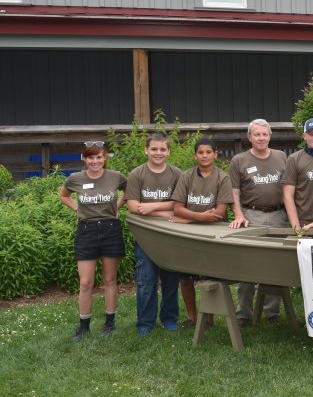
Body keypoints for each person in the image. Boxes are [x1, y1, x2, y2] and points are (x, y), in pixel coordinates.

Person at [59, 141, 127, 342]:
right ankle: (84, 327)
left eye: (99, 157)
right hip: (86, 231)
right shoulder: (75, 179)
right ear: (84, 159)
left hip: (110, 229)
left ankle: (109, 324)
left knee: (109, 280)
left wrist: (118, 205)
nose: (95, 161)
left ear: (105, 158)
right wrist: (76, 209)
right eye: (91, 157)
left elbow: (130, 189)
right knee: (86, 282)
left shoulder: (115, 177)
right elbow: (63, 196)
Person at [229, 119, 288, 326]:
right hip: (251, 216)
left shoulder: (282, 157)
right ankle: (243, 313)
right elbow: (234, 192)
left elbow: (290, 189)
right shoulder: (239, 160)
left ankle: (272, 311)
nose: (261, 138)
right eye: (257, 135)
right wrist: (238, 215)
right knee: (247, 264)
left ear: (270, 136)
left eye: (265, 134)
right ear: (249, 137)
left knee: (276, 264)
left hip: (279, 216)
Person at [171, 138, 234, 329]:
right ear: (195, 155)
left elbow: (220, 213)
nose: (204, 156)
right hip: (188, 235)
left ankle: (209, 318)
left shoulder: (222, 178)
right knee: (185, 277)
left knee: (211, 277)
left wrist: (189, 217)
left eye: (208, 152)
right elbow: (177, 208)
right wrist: (199, 217)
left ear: (216, 154)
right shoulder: (186, 176)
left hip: (213, 234)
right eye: (200, 152)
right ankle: (192, 316)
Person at [125, 132, 183, 336]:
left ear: (168, 151)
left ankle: (169, 320)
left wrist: (152, 208)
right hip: (145, 237)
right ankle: (145, 324)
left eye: (162, 149)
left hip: (170, 236)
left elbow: (179, 205)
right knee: (146, 282)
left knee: (170, 281)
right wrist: (165, 210)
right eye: (154, 149)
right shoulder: (137, 174)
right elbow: (132, 206)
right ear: (146, 150)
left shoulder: (176, 174)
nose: (158, 153)